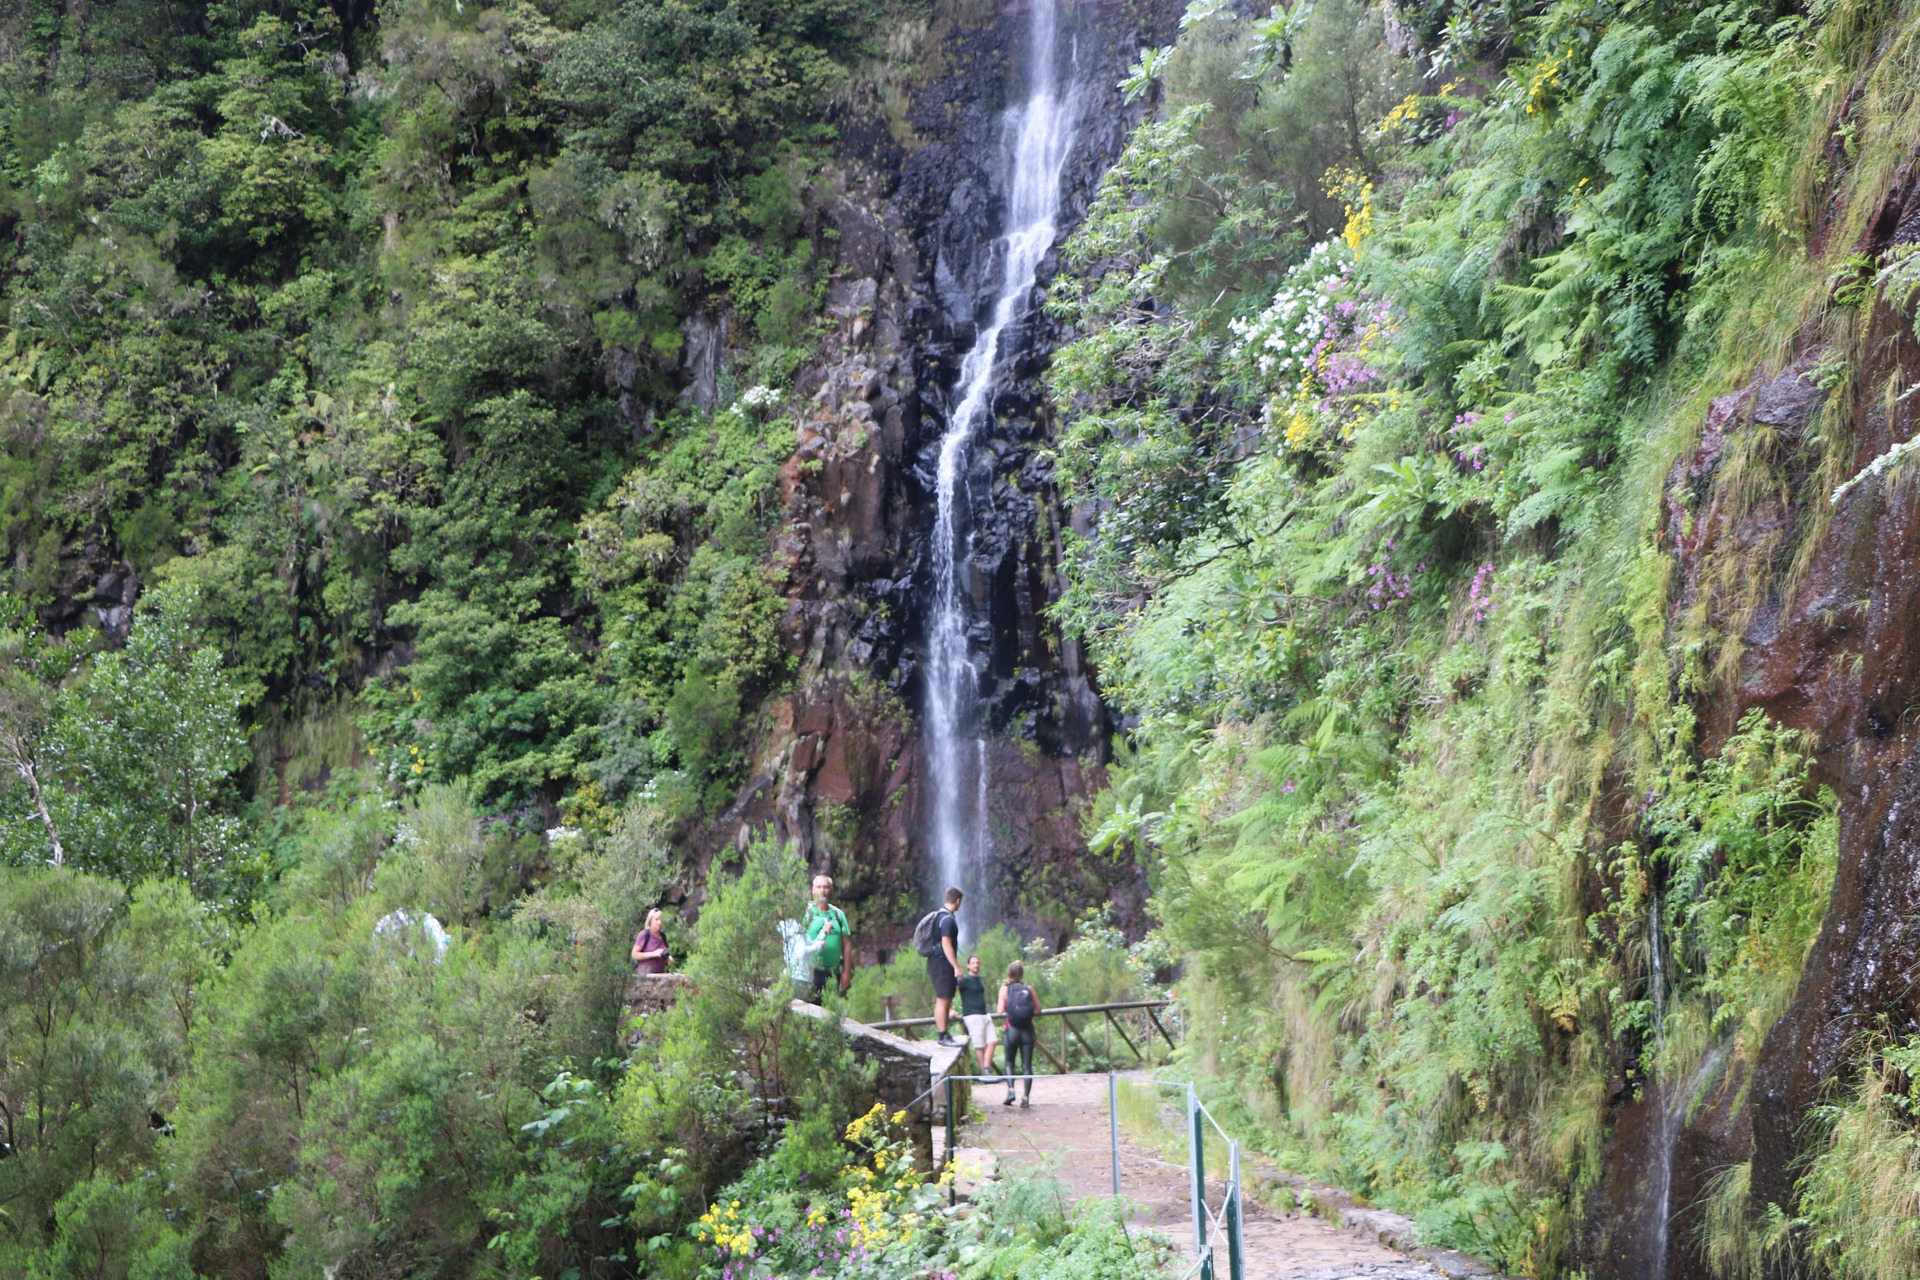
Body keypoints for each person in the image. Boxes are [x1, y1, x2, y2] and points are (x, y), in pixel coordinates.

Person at [998, 959, 1042, 1108]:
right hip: (1027, 1031)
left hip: (1011, 1029)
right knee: (1027, 1066)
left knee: (1009, 1062)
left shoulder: (1005, 989)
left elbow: (999, 1010)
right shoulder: (1028, 988)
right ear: (1022, 974)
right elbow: (1038, 1009)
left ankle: (1011, 1090)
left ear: (1009, 973)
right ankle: (1025, 1098)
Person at [803, 873, 852, 1002]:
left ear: (831, 890)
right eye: (819, 887)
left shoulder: (838, 915)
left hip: (833, 974)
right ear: (813, 890)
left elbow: (846, 943)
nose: (822, 891)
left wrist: (846, 972)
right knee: (810, 1014)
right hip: (811, 974)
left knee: (831, 1014)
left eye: (825, 887)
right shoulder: (807, 914)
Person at [927, 887, 963, 1046]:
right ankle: (942, 1036)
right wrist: (956, 966)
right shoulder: (947, 919)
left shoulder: (939, 916)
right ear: (958, 901)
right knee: (943, 999)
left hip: (938, 963)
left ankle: (944, 1034)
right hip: (942, 964)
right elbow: (946, 944)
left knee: (944, 998)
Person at [957, 954, 997, 1081]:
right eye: (973, 963)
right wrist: (950, 1010)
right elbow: (950, 991)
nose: (976, 965)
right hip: (972, 1015)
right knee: (979, 1045)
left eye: (977, 963)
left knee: (993, 1041)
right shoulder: (964, 980)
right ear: (968, 965)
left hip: (984, 1014)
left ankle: (986, 1069)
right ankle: (984, 1074)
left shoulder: (980, 979)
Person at [630, 908, 670, 975]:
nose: (659, 922)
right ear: (650, 921)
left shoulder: (662, 935)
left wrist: (668, 958)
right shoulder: (644, 935)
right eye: (656, 919)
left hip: (661, 978)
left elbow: (665, 952)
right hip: (645, 978)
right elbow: (634, 954)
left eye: (660, 919)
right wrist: (652, 954)